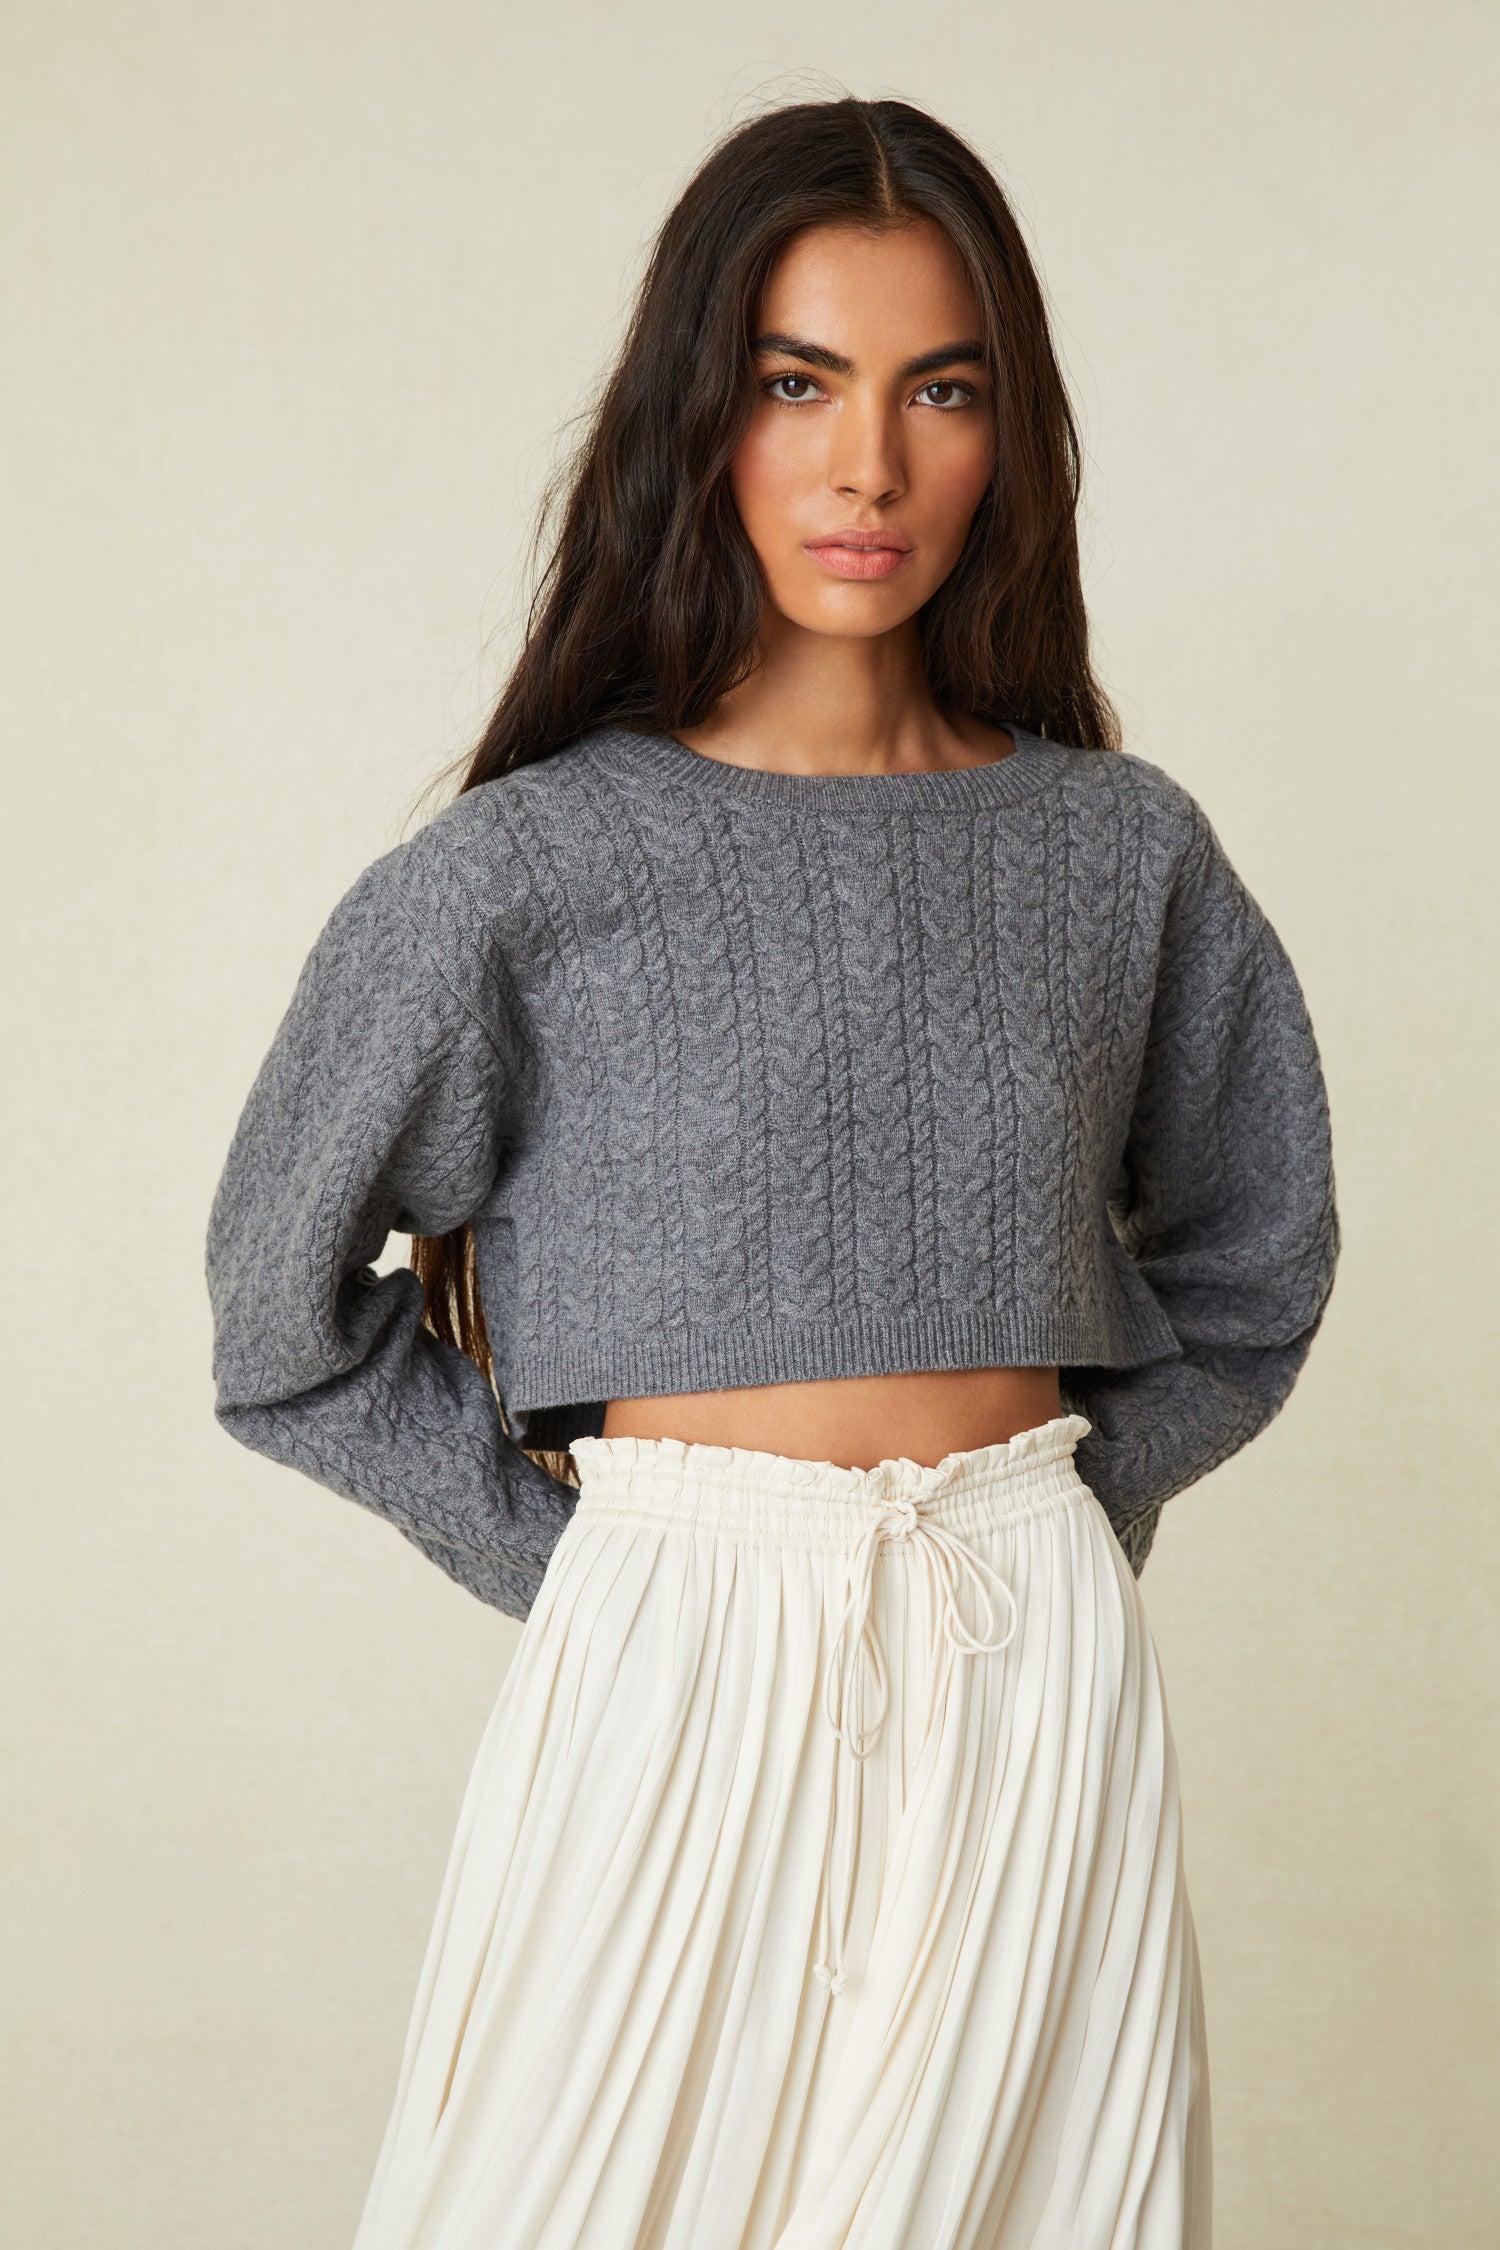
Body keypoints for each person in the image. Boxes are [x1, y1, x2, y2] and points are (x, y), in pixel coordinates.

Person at [205, 95, 1339, 2250]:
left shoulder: (1120, 851)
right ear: (697, 419)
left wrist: (1061, 1520)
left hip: (1033, 1667)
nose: (869, 466)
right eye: (798, 384)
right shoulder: (522, 872)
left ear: (1009, 438)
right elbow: (280, 1322)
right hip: (672, 1663)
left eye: (942, 391)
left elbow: (1259, 1259)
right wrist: (609, 1575)